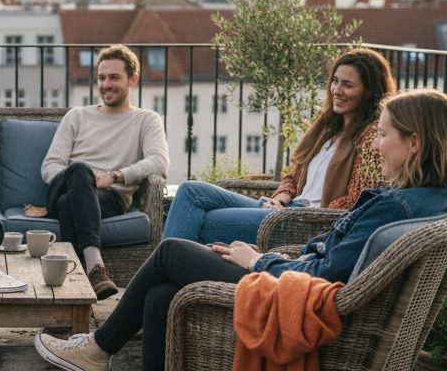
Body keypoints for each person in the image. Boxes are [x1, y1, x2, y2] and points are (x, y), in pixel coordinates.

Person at [34, 88, 447, 371]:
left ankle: (100, 348)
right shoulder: (428, 201)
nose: (376, 145)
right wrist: (268, 255)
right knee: (162, 296)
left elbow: (322, 276)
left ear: (415, 143)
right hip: (306, 292)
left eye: (383, 135)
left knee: (170, 254)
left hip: (302, 310)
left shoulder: (395, 208)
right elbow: (330, 260)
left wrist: (257, 262)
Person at [162, 47, 395, 245]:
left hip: (307, 223)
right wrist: (281, 198)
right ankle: (168, 272)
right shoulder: (328, 127)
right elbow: (293, 176)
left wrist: (293, 213)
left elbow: (357, 201)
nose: (337, 90)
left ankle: (164, 273)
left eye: (348, 85)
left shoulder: (371, 137)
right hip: (286, 209)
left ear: (369, 92)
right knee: (190, 191)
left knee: (203, 221)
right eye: (335, 81)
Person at [40, 44, 170, 300]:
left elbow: (160, 162)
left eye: (114, 77)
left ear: (132, 80)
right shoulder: (77, 116)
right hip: (66, 185)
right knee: (79, 171)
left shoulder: (146, 119)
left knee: (68, 205)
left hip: (110, 197)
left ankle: (73, 294)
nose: (106, 84)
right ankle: (96, 266)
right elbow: (50, 166)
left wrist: (115, 176)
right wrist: (82, 178)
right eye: (101, 78)